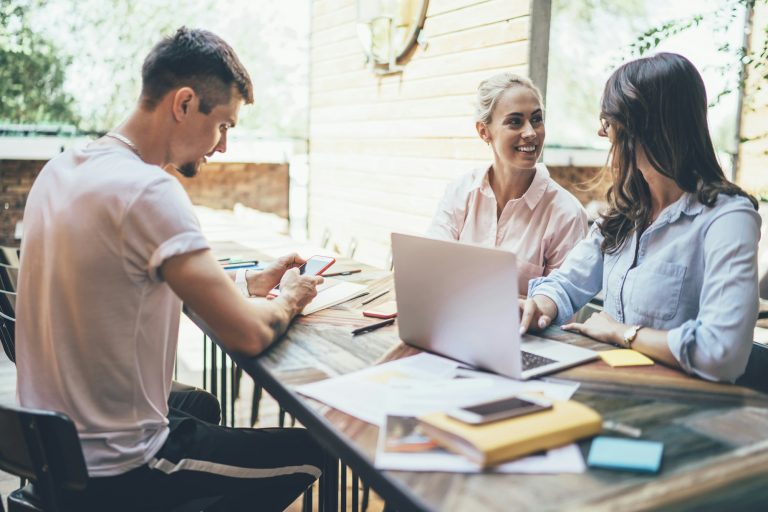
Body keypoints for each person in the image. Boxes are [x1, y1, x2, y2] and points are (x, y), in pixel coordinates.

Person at [16, 27, 325, 511]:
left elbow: (134, 279)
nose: (223, 147)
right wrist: (289, 297)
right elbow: (246, 334)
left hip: (53, 448)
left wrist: (248, 281)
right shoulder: (149, 191)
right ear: (183, 104)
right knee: (315, 452)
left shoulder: (63, 170)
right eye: (224, 125)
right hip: (120, 464)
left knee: (203, 405)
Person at [521, 52, 760, 383]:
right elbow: (567, 282)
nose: (602, 133)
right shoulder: (624, 212)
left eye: (608, 121)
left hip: (681, 407)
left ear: (643, 127)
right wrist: (540, 306)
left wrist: (623, 333)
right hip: (614, 388)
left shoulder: (727, 219)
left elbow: (722, 353)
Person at [426, 72, 588, 295]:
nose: (530, 133)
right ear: (484, 131)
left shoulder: (566, 214)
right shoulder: (460, 192)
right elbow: (432, 267)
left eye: (536, 119)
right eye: (515, 122)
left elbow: (558, 305)